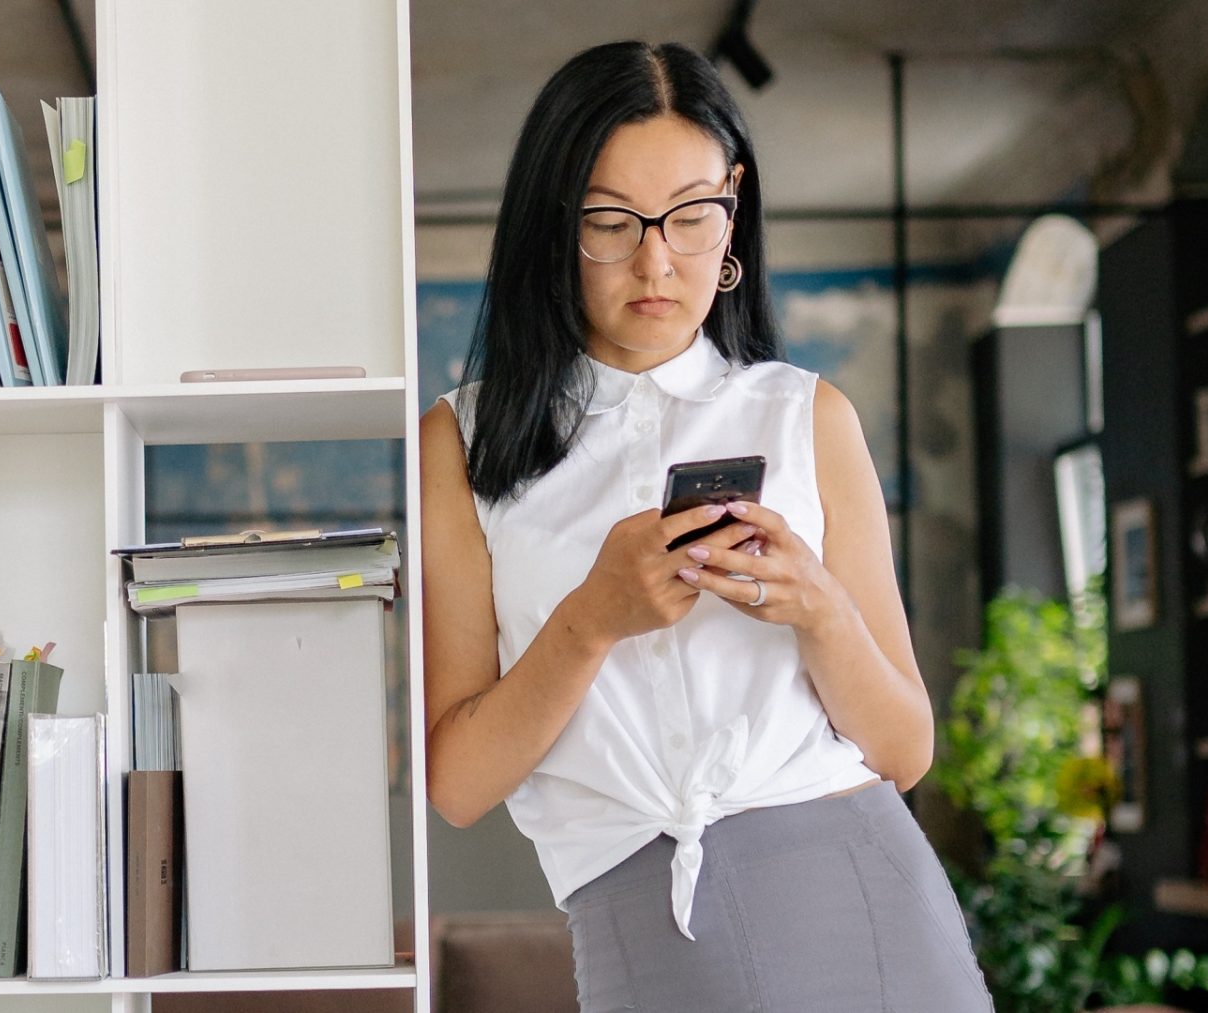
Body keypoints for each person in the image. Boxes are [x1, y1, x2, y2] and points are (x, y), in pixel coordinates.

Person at [420, 39, 992, 1012]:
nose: (657, 259)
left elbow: (903, 749)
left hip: (867, 889)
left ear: (734, 208)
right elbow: (459, 783)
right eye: (612, 222)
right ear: (554, 225)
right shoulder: (461, 443)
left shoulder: (808, 415)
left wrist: (820, 610)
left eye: (691, 216)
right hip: (646, 915)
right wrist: (592, 617)